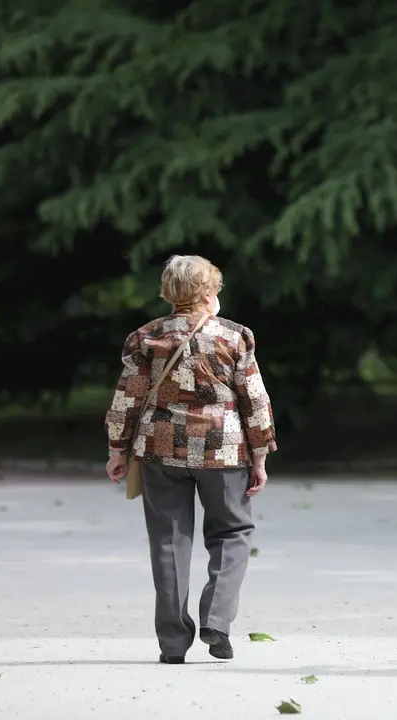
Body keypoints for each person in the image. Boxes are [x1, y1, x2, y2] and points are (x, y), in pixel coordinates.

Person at [104, 255, 277, 665]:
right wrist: (260, 455)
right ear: (206, 293)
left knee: (168, 540)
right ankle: (216, 620)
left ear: (169, 293)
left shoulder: (145, 337)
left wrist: (117, 448)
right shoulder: (235, 337)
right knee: (233, 531)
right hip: (223, 449)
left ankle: (172, 644)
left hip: (160, 450)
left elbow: (126, 397)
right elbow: (254, 399)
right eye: (214, 288)